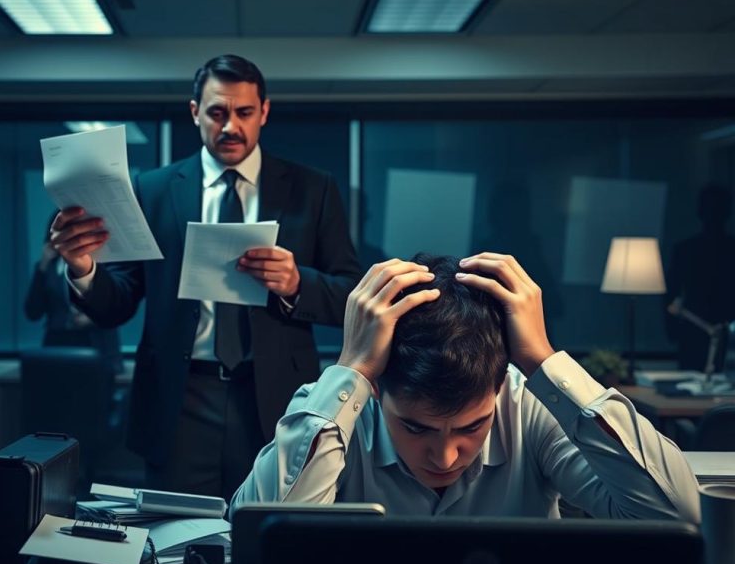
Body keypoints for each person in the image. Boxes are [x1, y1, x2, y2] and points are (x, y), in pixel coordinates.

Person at [50, 54, 361, 498]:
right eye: (217, 112)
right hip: (180, 398)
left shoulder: (313, 188)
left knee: (267, 531)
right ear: (194, 111)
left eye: (244, 113)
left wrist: (297, 283)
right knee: (178, 536)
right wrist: (81, 267)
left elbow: (350, 292)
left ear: (264, 112)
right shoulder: (152, 190)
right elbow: (116, 302)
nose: (230, 126)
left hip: (276, 395)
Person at [231, 253, 699, 522]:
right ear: (375, 389)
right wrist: (351, 367)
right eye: (416, 428)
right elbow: (256, 537)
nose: (446, 457)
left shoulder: (528, 406)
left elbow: (677, 515)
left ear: (500, 388)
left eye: (472, 427)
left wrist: (544, 361)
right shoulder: (332, 413)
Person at [24, 214, 123, 376]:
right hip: (58, 346)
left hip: (96, 343)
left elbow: (120, 305)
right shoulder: (47, 267)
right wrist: (43, 265)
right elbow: (32, 312)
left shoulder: (102, 261)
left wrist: (94, 317)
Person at [666, 182, 735, 372]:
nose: (713, 214)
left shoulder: (731, 250)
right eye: (709, 208)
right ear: (701, 211)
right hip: (692, 329)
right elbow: (671, 291)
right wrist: (673, 328)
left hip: (726, 332)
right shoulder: (686, 250)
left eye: (718, 208)